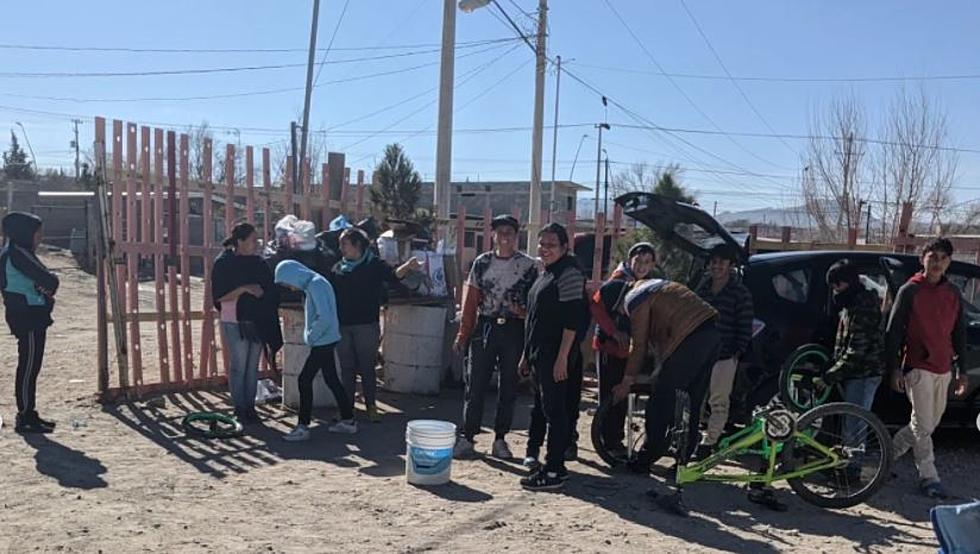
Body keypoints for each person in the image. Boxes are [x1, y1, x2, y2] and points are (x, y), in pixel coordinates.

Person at [885, 238, 969, 499]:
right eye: (933, 257)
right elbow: (893, 332)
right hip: (917, 366)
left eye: (943, 258)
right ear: (923, 258)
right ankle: (929, 477)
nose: (937, 263)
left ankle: (885, 457)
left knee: (928, 424)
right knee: (922, 425)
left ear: (949, 263)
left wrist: (961, 370)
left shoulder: (953, 293)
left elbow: (960, 333)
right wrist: (894, 368)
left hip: (943, 367)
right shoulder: (910, 290)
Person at [452, 215, 538, 459]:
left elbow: (535, 303)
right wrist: (463, 333)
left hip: (514, 328)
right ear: (493, 235)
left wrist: (520, 312)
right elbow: (470, 301)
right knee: (475, 382)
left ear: (516, 235)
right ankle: (468, 435)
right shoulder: (482, 263)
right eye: (500, 232)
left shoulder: (528, 266)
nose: (505, 237)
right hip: (486, 325)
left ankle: (500, 438)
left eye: (509, 232)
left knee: (509, 385)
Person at [611, 279, 719, 473]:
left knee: (660, 401)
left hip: (691, 336)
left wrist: (627, 381)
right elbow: (663, 339)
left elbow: (639, 345)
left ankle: (645, 459)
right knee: (691, 402)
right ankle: (682, 463)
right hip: (712, 333)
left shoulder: (635, 299)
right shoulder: (658, 285)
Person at [519, 223, 588, 491]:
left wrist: (562, 358)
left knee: (556, 412)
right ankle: (545, 460)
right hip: (539, 353)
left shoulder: (569, 273)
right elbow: (534, 319)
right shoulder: (545, 274)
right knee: (543, 407)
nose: (545, 249)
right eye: (542, 244)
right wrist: (526, 355)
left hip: (555, 354)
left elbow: (573, 320)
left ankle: (555, 469)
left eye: (551, 245)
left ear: (564, 247)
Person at [330, 227, 420, 422]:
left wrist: (408, 266)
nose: (341, 248)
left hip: (366, 326)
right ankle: (347, 409)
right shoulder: (337, 268)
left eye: (344, 244)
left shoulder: (374, 265)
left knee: (367, 367)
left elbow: (394, 275)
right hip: (343, 326)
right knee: (347, 369)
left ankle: (371, 406)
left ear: (357, 245)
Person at [275, 260, 357, 441]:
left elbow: (324, 317)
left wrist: (311, 336)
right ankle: (348, 420)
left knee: (305, 380)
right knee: (332, 379)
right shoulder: (315, 283)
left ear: (293, 275)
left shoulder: (315, 285)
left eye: (286, 282)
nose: (288, 287)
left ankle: (303, 427)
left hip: (322, 340)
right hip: (326, 339)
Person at [590, 242, 657, 458]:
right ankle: (608, 440)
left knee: (622, 392)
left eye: (647, 262)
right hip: (609, 348)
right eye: (638, 261)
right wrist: (613, 331)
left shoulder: (646, 284)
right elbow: (596, 304)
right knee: (610, 395)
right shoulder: (618, 282)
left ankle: (613, 439)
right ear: (630, 261)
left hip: (627, 351)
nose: (642, 266)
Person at [211, 223, 282, 424]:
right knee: (239, 366)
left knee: (252, 367)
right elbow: (220, 296)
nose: (256, 243)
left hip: (257, 320)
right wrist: (244, 289)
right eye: (252, 240)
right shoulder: (224, 263)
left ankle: (250, 408)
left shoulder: (258, 263)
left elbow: (269, 289)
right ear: (240, 242)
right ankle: (239, 407)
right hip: (235, 320)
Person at [1, 212, 59, 433]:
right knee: (28, 366)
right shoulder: (17, 253)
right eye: (37, 233)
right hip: (28, 315)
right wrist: (47, 284)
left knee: (31, 365)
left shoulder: (18, 252)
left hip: (30, 313)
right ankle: (25, 414)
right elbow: (49, 280)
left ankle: (29, 412)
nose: (40, 237)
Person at [695, 243, 753, 456]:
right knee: (695, 399)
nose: (717, 266)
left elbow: (745, 325)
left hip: (725, 355)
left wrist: (737, 351)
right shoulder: (702, 288)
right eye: (714, 261)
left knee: (719, 401)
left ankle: (710, 442)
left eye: (722, 261)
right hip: (700, 352)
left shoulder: (740, 293)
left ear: (731, 265)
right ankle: (691, 438)